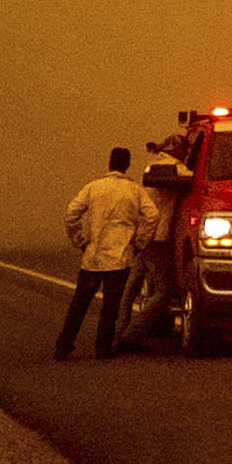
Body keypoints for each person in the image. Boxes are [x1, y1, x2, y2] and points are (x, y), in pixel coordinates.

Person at [59, 146, 163, 360]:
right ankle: (103, 346)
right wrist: (139, 242)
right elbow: (152, 215)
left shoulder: (93, 188)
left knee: (80, 303)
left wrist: (79, 240)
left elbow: (71, 214)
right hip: (120, 255)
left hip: (93, 256)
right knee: (111, 304)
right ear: (128, 165)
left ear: (109, 163)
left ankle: (64, 345)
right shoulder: (134, 190)